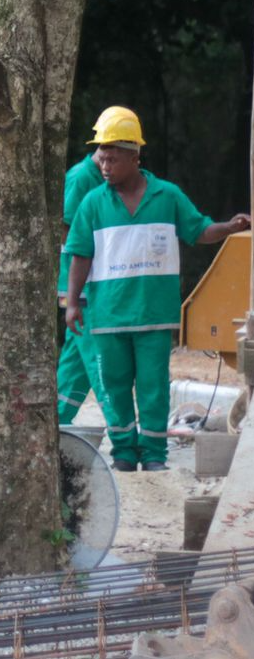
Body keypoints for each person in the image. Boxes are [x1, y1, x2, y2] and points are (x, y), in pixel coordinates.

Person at [65, 110, 248, 472]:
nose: (105, 166)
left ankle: (153, 455)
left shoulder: (167, 196)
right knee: (115, 388)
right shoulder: (93, 203)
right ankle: (123, 453)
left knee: (154, 388)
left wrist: (229, 227)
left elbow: (198, 230)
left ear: (135, 156)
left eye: (113, 158)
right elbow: (79, 255)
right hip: (108, 317)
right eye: (102, 158)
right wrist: (72, 303)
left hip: (154, 314)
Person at [55, 112, 109, 424]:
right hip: (76, 285)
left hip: (86, 284)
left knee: (76, 360)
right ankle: (121, 432)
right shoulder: (80, 178)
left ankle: (58, 420)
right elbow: (66, 228)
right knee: (99, 356)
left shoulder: (100, 178)